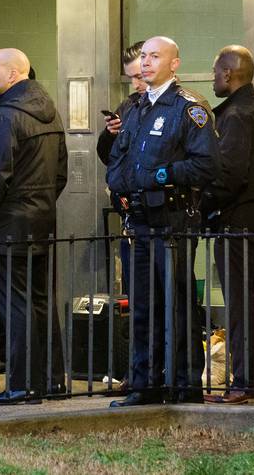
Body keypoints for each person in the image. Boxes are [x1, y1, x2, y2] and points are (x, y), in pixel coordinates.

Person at [105, 36, 219, 407]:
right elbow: (118, 157)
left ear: (174, 64)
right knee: (142, 307)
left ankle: (186, 384)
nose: (147, 63)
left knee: (178, 304)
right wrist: (119, 185)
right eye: (144, 57)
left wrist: (162, 174)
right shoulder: (136, 107)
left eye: (156, 56)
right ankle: (145, 383)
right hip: (138, 220)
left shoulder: (188, 108)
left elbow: (206, 164)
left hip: (172, 220)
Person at [0, 48, 68, 404]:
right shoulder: (49, 112)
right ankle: (52, 380)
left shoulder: (4, 117)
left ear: (12, 75)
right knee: (41, 302)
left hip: (6, 226)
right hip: (40, 220)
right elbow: (60, 173)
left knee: (16, 307)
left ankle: (23, 384)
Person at [201, 46, 254, 404]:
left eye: (216, 70)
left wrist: (203, 206)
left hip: (238, 221)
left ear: (230, 74)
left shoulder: (236, 116)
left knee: (240, 303)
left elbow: (229, 175)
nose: (212, 76)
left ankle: (248, 380)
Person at [97, 40, 146, 296]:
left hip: (163, 217)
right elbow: (106, 155)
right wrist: (110, 134)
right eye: (131, 78)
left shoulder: (179, 107)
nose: (136, 84)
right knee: (135, 293)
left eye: (140, 76)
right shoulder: (128, 106)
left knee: (170, 295)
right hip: (130, 213)